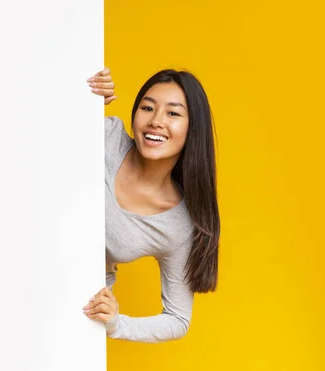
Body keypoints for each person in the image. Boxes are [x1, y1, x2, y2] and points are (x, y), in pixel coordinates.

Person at [82, 67, 220, 343]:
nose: (156, 121)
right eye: (147, 107)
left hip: (77, 307)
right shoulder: (106, 137)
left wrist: (116, 324)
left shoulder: (177, 225)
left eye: (173, 113)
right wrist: (84, 99)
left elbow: (178, 320)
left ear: (193, 128)